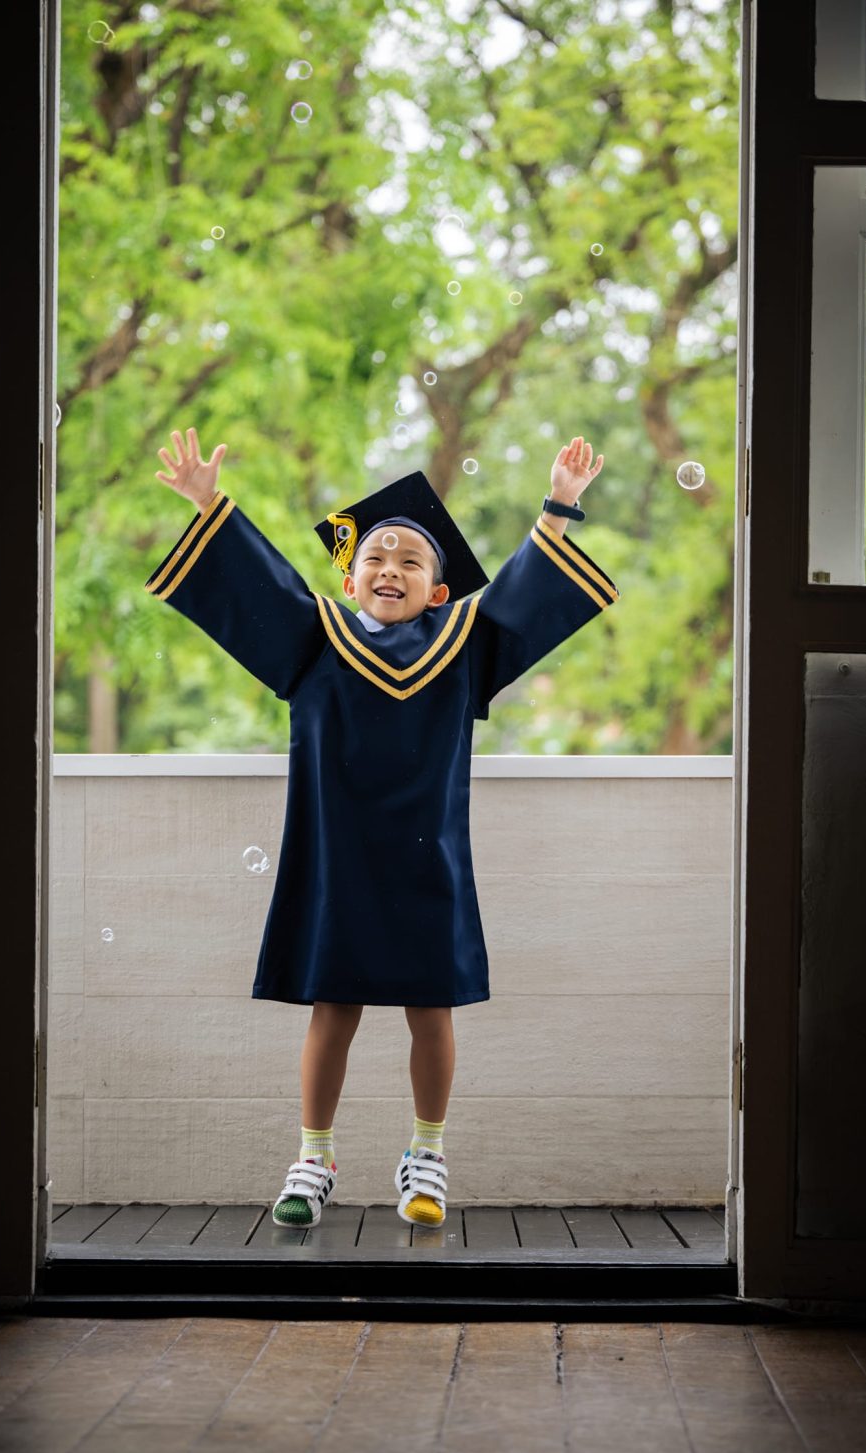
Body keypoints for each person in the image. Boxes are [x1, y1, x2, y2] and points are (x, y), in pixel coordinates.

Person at [145, 427, 620, 1230]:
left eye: (410, 560)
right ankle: (314, 1152)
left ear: (439, 591)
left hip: (426, 858)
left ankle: (424, 1151)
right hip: (337, 859)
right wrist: (207, 502)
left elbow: (516, 594)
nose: (389, 567)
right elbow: (260, 581)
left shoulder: (464, 647)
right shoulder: (312, 638)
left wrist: (559, 505)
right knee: (332, 1007)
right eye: (373, 556)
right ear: (349, 576)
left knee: (429, 1007)